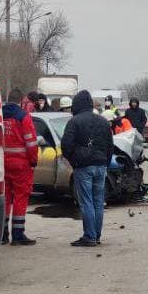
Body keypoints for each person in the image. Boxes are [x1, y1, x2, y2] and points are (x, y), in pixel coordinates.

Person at [60, 90, 114, 247]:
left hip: (83, 167)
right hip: (101, 165)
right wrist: (106, 162)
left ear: (76, 105)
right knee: (98, 201)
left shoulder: (74, 122)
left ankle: (89, 236)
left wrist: (74, 160)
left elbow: (66, 145)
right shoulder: (103, 121)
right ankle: (96, 236)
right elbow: (110, 145)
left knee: (87, 202)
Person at [2, 87, 39, 245]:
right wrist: (33, 161)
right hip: (20, 165)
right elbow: (31, 143)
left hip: (1, 163)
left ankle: (2, 234)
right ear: (20, 101)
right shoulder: (23, 117)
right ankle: (17, 234)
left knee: (4, 198)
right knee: (20, 198)